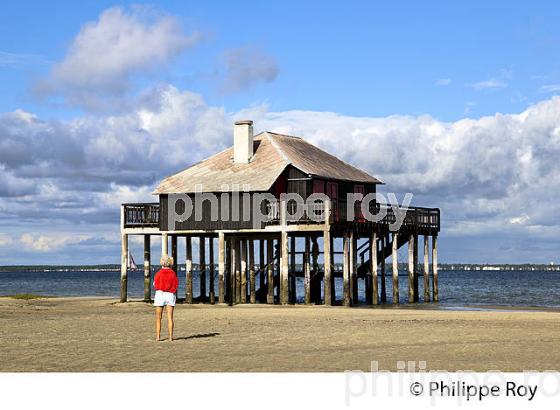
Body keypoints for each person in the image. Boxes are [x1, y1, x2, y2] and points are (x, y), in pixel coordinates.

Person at [153, 254, 179, 341]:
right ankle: (171, 337)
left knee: (158, 317)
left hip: (160, 294)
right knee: (170, 317)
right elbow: (176, 285)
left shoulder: (159, 273)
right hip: (170, 295)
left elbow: (155, 285)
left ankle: (158, 337)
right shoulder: (173, 273)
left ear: (162, 262)